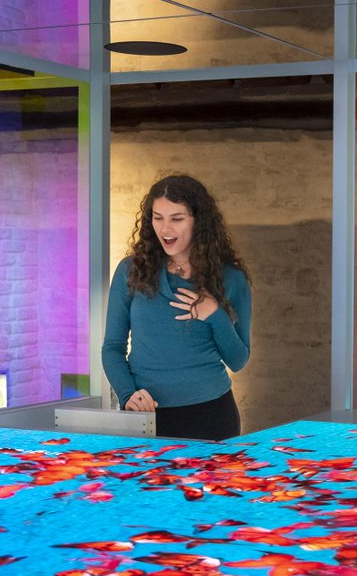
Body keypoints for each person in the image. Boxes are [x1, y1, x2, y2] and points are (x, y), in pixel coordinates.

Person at [102, 175, 252, 441]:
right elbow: (112, 347)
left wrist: (214, 314)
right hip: (146, 417)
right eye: (157, 217)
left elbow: (238, 360)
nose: (165, 228)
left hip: (212, 415)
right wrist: (127, 395)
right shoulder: (130, 271)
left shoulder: (230, 278)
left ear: (198, 221)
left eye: (177, 218)